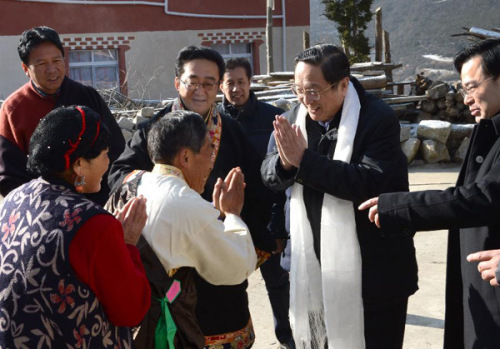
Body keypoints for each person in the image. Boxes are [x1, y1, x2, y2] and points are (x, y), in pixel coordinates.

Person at [108, 45, 277, 348]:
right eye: (192, 81)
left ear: (219, 86)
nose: (200, 91)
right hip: (167, 267)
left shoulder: (232, 132)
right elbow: (120, 175)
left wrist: (230, 222)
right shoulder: (152, 129)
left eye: (209, 83)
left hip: (217, 263)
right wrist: (167, 199)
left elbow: (258, 191)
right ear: (177, 83)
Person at [261, 44, 418, 349]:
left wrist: (304, 161)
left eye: (314, 91)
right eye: (298, 90)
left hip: (376, 272)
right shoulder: (295, 118)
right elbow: (269, 173)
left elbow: (370, 181)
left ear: (343, 84)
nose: (306, 100)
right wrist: (284, 163)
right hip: (317, 268)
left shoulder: (377, 118)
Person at [359, 38, 500, 349]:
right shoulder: (489, 129)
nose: (465, 99)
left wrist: (400, 207)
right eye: (462, 90)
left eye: (472, 87)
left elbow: (485, 197)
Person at [0, 105, 150, 348]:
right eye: (104, 155)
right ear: (79, 164)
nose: (108, 163)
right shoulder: (93, 224)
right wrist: (128, 243)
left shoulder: (16, 198)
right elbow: (131, 310)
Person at [108, 110, 258, 348]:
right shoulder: (185, 203)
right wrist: (232, 214)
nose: (212, 160)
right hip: (154, 329)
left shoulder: (133, 180)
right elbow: (237, 266)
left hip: (120, 323)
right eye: (209, 150)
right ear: (185, 158)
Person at [0, 26, 124, 206]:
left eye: (57, 60)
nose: (52, 69)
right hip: (42, 208)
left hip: (96, 201)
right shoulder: (13, 109)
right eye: (42, 64)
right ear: (26, 68)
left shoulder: (87, 96)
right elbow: (9, 176)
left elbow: (115, 151)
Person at [218, 57, 294, 348]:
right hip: (228, 219)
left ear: (250, 83)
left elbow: (284, 179)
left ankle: (287, 338)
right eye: (229, 83)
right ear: (221, 86)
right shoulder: (213, 123)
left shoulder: (272, 119)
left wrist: (277, 227)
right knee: (233, 284)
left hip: (268, 217)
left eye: (241, 82)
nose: (235, 89)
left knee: (277, 282)